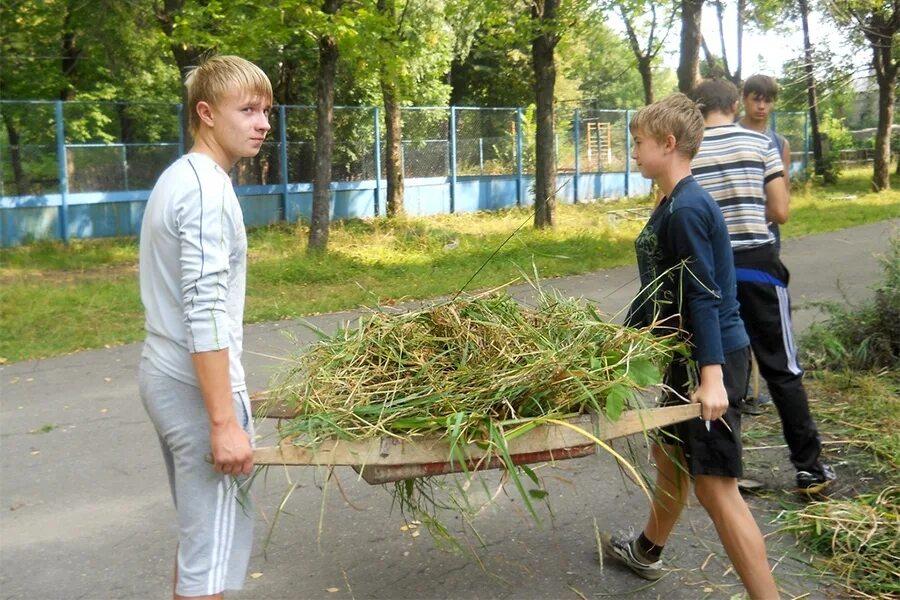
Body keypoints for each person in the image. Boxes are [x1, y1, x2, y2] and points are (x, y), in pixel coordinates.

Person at [602, 93, 779, 599]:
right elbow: (663, 287)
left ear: (669, 143)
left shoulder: (687, 207)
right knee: (669, 458)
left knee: (716, 487)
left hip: (713, 355)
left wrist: (712, 376)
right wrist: (626, 335)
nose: (633, 152)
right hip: (690, 354)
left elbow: (702, 295)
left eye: (638, 143)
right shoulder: (672, 201)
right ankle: (646, 550)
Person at [138, 55, 272, 599]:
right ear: (206, 113)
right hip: (194, 392)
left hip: (167, 375)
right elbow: (206, 311)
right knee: (211, 559)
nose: (262, 122)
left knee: (201, 544)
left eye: (266, 110)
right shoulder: (205, 191)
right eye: (247, 109)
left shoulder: (180, 177)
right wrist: (223, 420)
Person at [689, 78, 835, 495]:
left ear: (698, 108)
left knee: (720, 375)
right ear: (736, 104)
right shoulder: (760, 144)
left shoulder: (688, 150)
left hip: (709, 276)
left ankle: (724, 474)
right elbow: (781, 211)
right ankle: (809, 469)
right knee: (782, 369)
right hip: (758, 271)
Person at [738, 74, 790, 417]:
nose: (761, 106)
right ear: (743, 99)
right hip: (735, 235)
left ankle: (760, 388)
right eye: (756, 98)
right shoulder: (731, 133)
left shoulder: (778, 142)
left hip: (766, 237)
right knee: (735, 313)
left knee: (764, 313)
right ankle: (738, 385)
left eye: (767, 100)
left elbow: (782, 191)